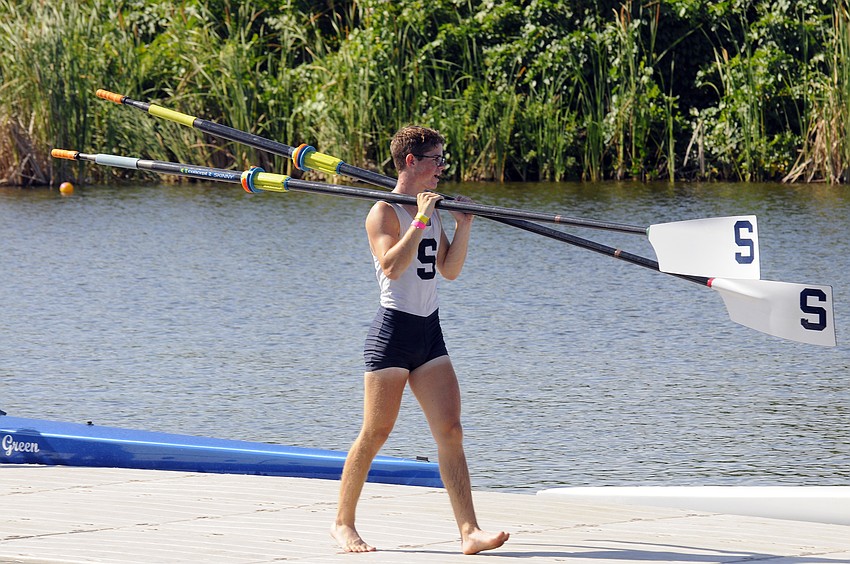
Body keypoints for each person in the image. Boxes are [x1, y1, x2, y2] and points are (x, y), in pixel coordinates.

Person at [330, 126, 510, 555]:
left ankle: (469, 531)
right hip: (393, 332)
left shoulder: (428, 209)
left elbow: (449, 269)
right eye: (436, 160)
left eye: (443, 160)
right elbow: (392, 266)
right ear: (411, 161)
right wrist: (422, 217)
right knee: (375, 432)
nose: (442, 169)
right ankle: (343, 523)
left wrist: (463, 224)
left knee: (451, 429)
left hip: (429, 332)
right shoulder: (384, 212)